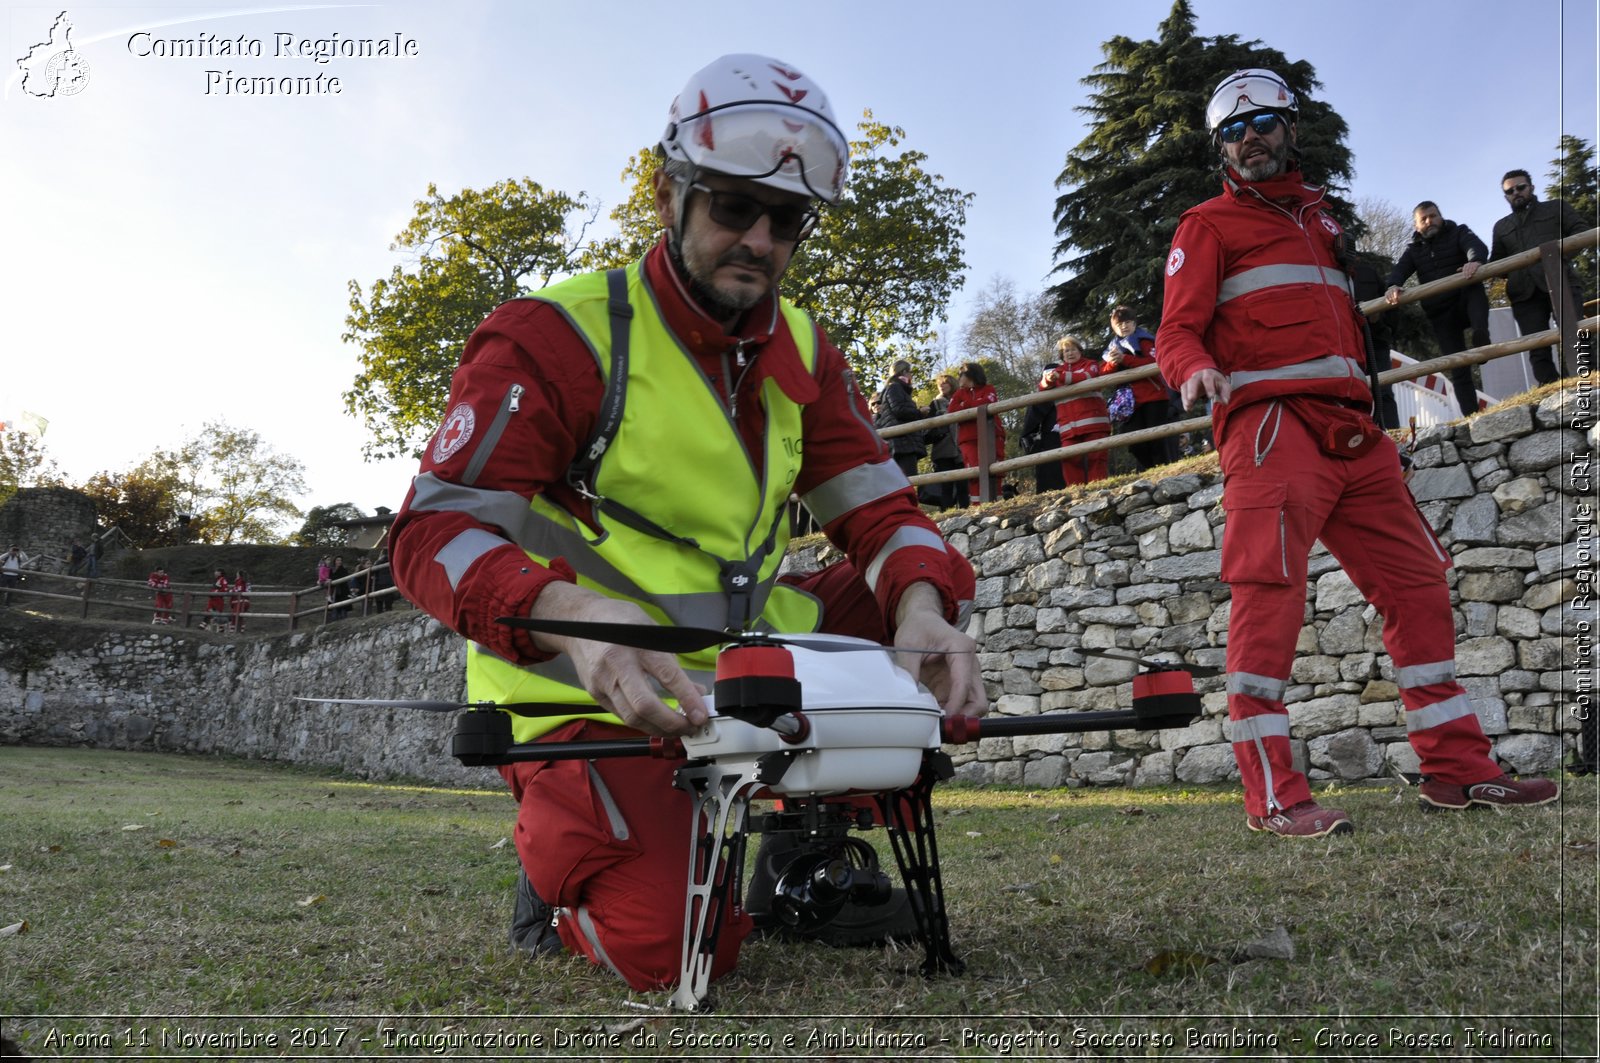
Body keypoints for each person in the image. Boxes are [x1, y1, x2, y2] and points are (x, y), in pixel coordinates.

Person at [388, 53, 983, 994]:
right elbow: (428, 538)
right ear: (670, 193)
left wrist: (917, 604)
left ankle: (799, 857)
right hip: (580, 689)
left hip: (735, 668)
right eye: (732, 208)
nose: (758, 238)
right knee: (679, 954)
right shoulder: (552, 337)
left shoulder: (806, 350)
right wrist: (568, 621)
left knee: (902, 619)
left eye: (785, 221)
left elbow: (884, 512)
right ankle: (563, 857)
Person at [1156, 69, 1557, 838]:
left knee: (1419, 586)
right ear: (1219, 147)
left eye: (1264, 123)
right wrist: (1191, 369)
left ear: (1290, 128)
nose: (1250, 139)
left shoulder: (1323, 222)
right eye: (1233, 132)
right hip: (1271, 429)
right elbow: (1176, 329)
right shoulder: (1204, 226)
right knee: (1266, 599)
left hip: (1354, 432)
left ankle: (1457, 769)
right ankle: (1272, 794)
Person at [1384, 202, 1490, 416]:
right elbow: (1399, 270)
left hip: (1464, 298)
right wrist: (1392, 285)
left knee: (1474, 288)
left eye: (1433, 216)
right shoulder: (1414, 250)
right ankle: (1473, 416)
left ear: (1441, 217)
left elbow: (1475, 246)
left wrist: (1474, 261)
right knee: (1458, 367)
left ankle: (1481, 335)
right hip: (1441, 312)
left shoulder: (1459, 231)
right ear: (1416, 226)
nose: (1429, 221)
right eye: (1423, 219)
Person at [1490, 168, 1592, 384]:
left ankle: (1587, 383)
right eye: (1510, 191)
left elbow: (1581, 231)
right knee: (1536, 347)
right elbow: (1497, 262)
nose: (1516, 193)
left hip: (1561, 280)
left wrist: (1558, 257)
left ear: (1531, 187)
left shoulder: (1556, 208)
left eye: (1520, 187)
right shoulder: (1501, 226)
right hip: (1523, 293)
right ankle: (1553, 392)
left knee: (1576, 335)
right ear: (1505, 196)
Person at [1103, 306, 1176, 471]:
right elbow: (1103, 373)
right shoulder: (1111, 348)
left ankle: (1163, 473)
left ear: (1135, 324)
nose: (1124, 326)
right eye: (1119, 324)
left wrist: (1125, 359)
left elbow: (1154, 363)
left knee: (1156, 441)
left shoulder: (1145, 340)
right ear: (1113, 328)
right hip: (1130, 403)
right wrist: (1113, 363)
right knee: (1134, 443)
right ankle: (1151, 472)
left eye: (1128, 322)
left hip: (1154, 397)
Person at [1041, 335, 1111, 486]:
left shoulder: (1090, 365)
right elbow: (1041, 387)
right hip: (1069, 428)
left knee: (1097, 458)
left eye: (1073, 350)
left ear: (1080, 351)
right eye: (1066, 351)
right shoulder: (1058, 371)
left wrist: (1061, 377)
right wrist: (1048, 380)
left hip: (1094, 423)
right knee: (1069, 460)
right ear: (1062, 355)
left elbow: (1086, 376)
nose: (1070, 353)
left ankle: (1098, 489)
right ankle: (1076, 492)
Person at [945, 361, 1006, 501]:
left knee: (996, 469)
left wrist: (965, 406)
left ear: (971, 375)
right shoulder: (959, 393)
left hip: (992, 436)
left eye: (961, 375)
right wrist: (974, 405)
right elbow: (951, 411)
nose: (959, 378)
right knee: (973, 471)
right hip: (968, 439)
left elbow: (989, 402)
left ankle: (997, 502)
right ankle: (977, 505)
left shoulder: (989, 388)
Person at [873, 358, 927, 479]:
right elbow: (899, 410)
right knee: (908, 481)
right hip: (902, 443)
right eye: (910, 372)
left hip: (901, 443)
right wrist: (919, 412)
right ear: (904, 372)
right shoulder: (895, 387)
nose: (911, 376)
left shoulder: (895, 388)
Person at [1020, 358, 1067, 494]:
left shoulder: (1069, 393)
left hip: (1068, 439)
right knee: (1049, 485)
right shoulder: (1037, 400)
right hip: (1047, 445)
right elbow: (1028, 430)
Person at [922, 374, 969, 509]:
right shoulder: (935, 404)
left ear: (952, 384)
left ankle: (965, 511)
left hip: (961, 447)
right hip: (942, 449)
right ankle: (947, 514)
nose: (941, 386)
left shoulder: (962, 401)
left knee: (962, 484)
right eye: (940, 384)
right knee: (945, 485)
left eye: (945, 383)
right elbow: (926, 429)